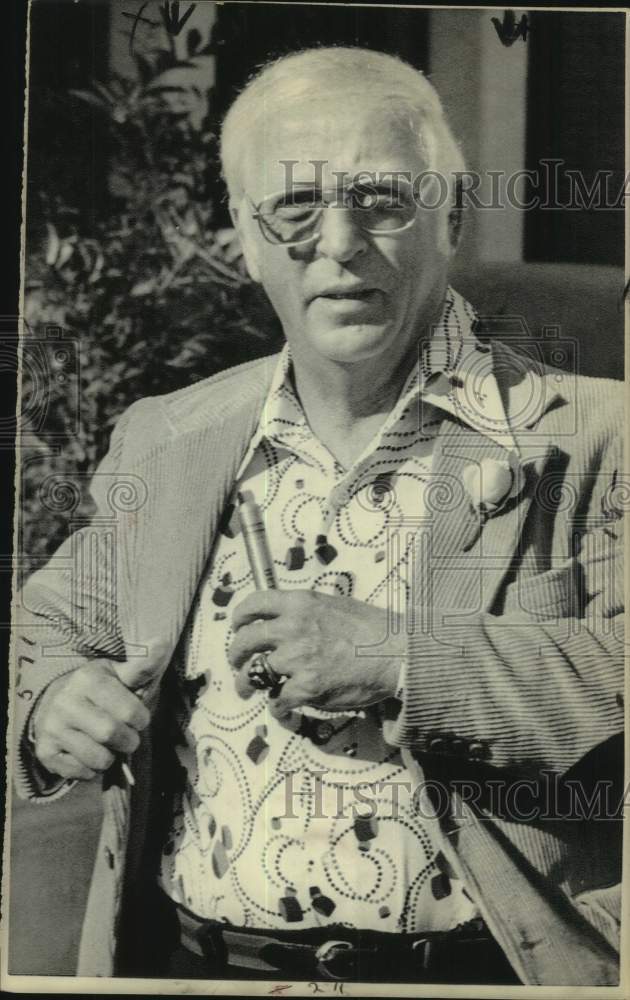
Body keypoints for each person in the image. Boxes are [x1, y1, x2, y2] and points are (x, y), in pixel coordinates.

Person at [13, 47, 624, 986]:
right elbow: (42, 626)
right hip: (198, 967)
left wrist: (400, 659)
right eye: (294, 209)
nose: (338, 243)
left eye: (383, 200)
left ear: (452, 215)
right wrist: (50, 697)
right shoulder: (172, 439)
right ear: (244, 239)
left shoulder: (595, 437)